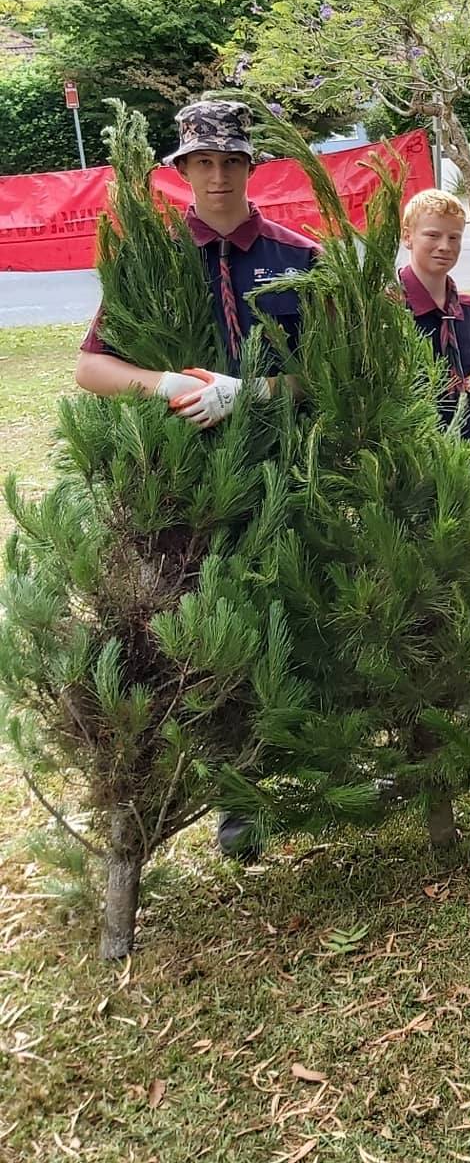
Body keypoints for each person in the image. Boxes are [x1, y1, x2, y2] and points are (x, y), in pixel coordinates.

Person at [75, 97, 320, 858]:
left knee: (291, 612)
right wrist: (169, 386)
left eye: (230, 161)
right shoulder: (151, 259)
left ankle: (311, 767)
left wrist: (255, 392)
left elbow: (330, 370)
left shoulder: (298, 256)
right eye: (202, 163)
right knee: (208, 629)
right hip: (180, 481)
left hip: (277, 468)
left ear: (251, 166)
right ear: (182, 171)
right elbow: (90, 366)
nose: (217, 176)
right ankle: (235, 794)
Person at [397, 188, 470, 451]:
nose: (445, 246)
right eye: (433, 235)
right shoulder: (389, 310)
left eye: (454, 237)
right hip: (415, 456)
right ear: (407, 237)